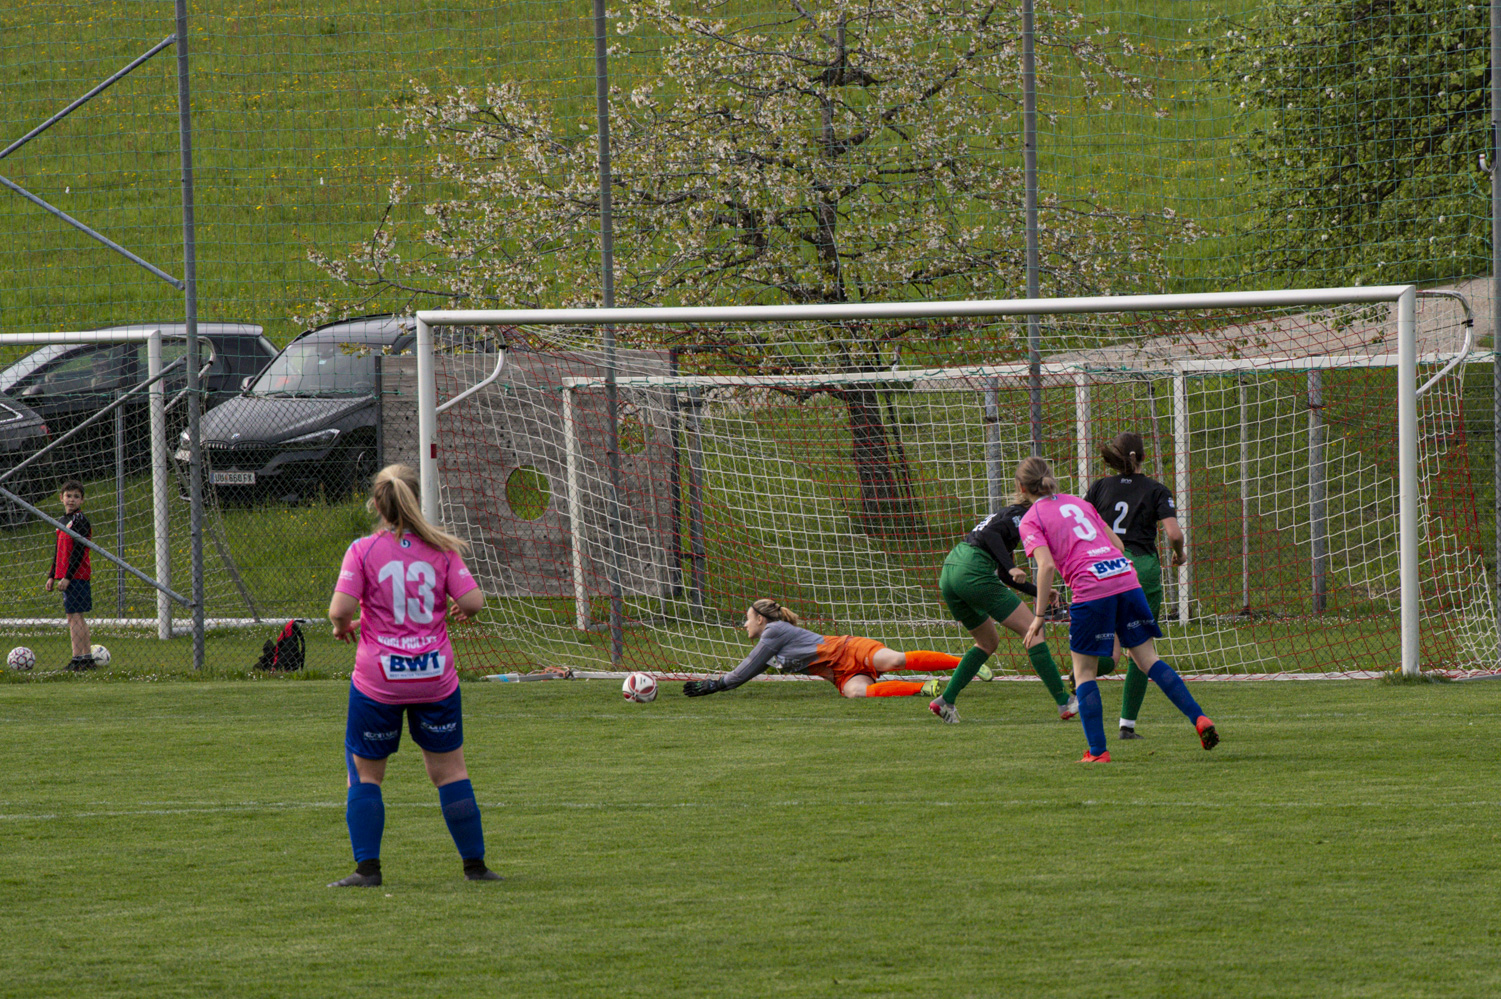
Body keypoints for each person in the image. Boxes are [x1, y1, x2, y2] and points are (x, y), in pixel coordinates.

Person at [326, 464, 500, 887]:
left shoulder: (362, 550)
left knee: (366, 775)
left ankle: (368, 870)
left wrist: (342, 627)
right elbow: (473, 601)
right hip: (434, 676)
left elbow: (340, 610)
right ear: (416, 500)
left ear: (376, 504)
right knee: (450, 772)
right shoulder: (441, 549)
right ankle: (475, 867)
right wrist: (460, 608)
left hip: (379, 679)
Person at [1015, 456, 1218, 762]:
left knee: (1084, 672)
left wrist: (1039, 616)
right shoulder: (1080, 504)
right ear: (1049, 478)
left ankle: (1097, 752)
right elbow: (1119, 547)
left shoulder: (1032, 519)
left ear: (1021, 487)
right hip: (1125, 577)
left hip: (1091, 588)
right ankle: (1199, 717)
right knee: (1148, 659)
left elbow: (1045, 567)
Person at [927, 497, 1078, 725]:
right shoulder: (1022, 515)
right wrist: (1011, 566)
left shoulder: (1007, 515)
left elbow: (1006, 576)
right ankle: (1064, 701)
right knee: (1034, 631)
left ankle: (945, 700)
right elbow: (992, 538)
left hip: (951, 570)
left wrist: (1040, 591)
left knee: (987, 642)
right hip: (972, 569)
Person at [1083, 432, 1185, 741]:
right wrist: (1179, 554)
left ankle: (1081, 674)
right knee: (1141, 649)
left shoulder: (1099, 487)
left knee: (1109, 645)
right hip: (1140, 569)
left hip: (1103, 567)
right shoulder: (1156, 489)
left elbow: (1083, 526)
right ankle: (1126, 726)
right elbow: (1174, 533)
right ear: (1143, 457)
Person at [682, 598, 965, 699]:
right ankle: (924, 688)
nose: (744, 624)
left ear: (760, 619)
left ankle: (965, 663)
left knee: (894, 661)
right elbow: (750, 670)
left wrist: (716, 684)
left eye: (747, 618)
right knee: (856, 693)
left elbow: (747, 667)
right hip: (840, 673)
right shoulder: (773, 643)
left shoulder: (774, 631)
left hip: (849, 649)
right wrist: (721, 684)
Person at [44, 480, 94, 672]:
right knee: (73, 616)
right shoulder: (62, 521)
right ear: (61, 498)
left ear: (82, 500)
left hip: (77, 576)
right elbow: (58, 551)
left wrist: (68, 577)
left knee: (75, 616)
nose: (71, 500)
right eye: (68, 496)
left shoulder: (80, 521)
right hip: (66, 575)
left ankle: (79, 658)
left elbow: (79, 551)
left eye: (76, 496)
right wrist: (52, 575)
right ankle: (85, 658)